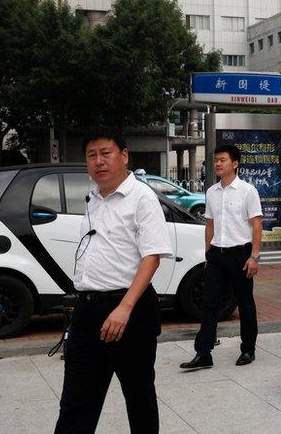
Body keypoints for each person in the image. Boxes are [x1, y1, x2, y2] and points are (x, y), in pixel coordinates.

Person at [55, 133, 172, 433]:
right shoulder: (93, 198)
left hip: (129, 311)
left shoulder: (142, 197)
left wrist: (125, 307)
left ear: (124, 156)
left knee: (138, 397)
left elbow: (152, 257)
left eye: (105, 153)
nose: (98, 161)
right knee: (75, 403)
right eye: (92, 155)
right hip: (87, 311)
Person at [181, 144, 262, 370]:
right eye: (215, 160)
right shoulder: (211, 192)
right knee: (209, 303)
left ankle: (248, 349)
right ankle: (203, 353)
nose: (217, 163)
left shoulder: (248, 191)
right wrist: (208, 253)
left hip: (241, 253)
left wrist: (254, 256)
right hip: (217, 253)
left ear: (235, 164)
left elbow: (257, 225)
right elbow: (210, 224)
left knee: (245, 303)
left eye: (222, 160)